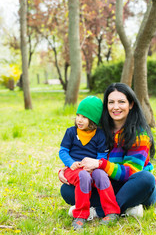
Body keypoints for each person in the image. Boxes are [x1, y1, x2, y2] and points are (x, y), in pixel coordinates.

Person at [59, 83, 156, 222]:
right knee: (67, 190)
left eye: (121, 102)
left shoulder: (139, 134)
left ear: (131, 104)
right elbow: (84, 157)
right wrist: (70, 168)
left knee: (146, 179)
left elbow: (131, 172)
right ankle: (127, 209)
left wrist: (101, 164)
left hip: (133, 186)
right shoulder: (99, 131)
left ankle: (97, 211)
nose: (115, 107)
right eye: (111, 102)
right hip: (106, 186)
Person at [59, 96, 120, 230]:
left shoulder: (100, 135)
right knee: (83, 176)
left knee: (101, 175)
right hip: (74, 169)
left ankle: (111, 211)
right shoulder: (71, 132)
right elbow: (63, 151)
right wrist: (70, 163)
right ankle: (81, 215)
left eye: (84, 117)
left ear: (93, 120)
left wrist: (94, 166)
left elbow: (102, 156)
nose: (79, 120)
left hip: (92, 168)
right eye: (78, 115)